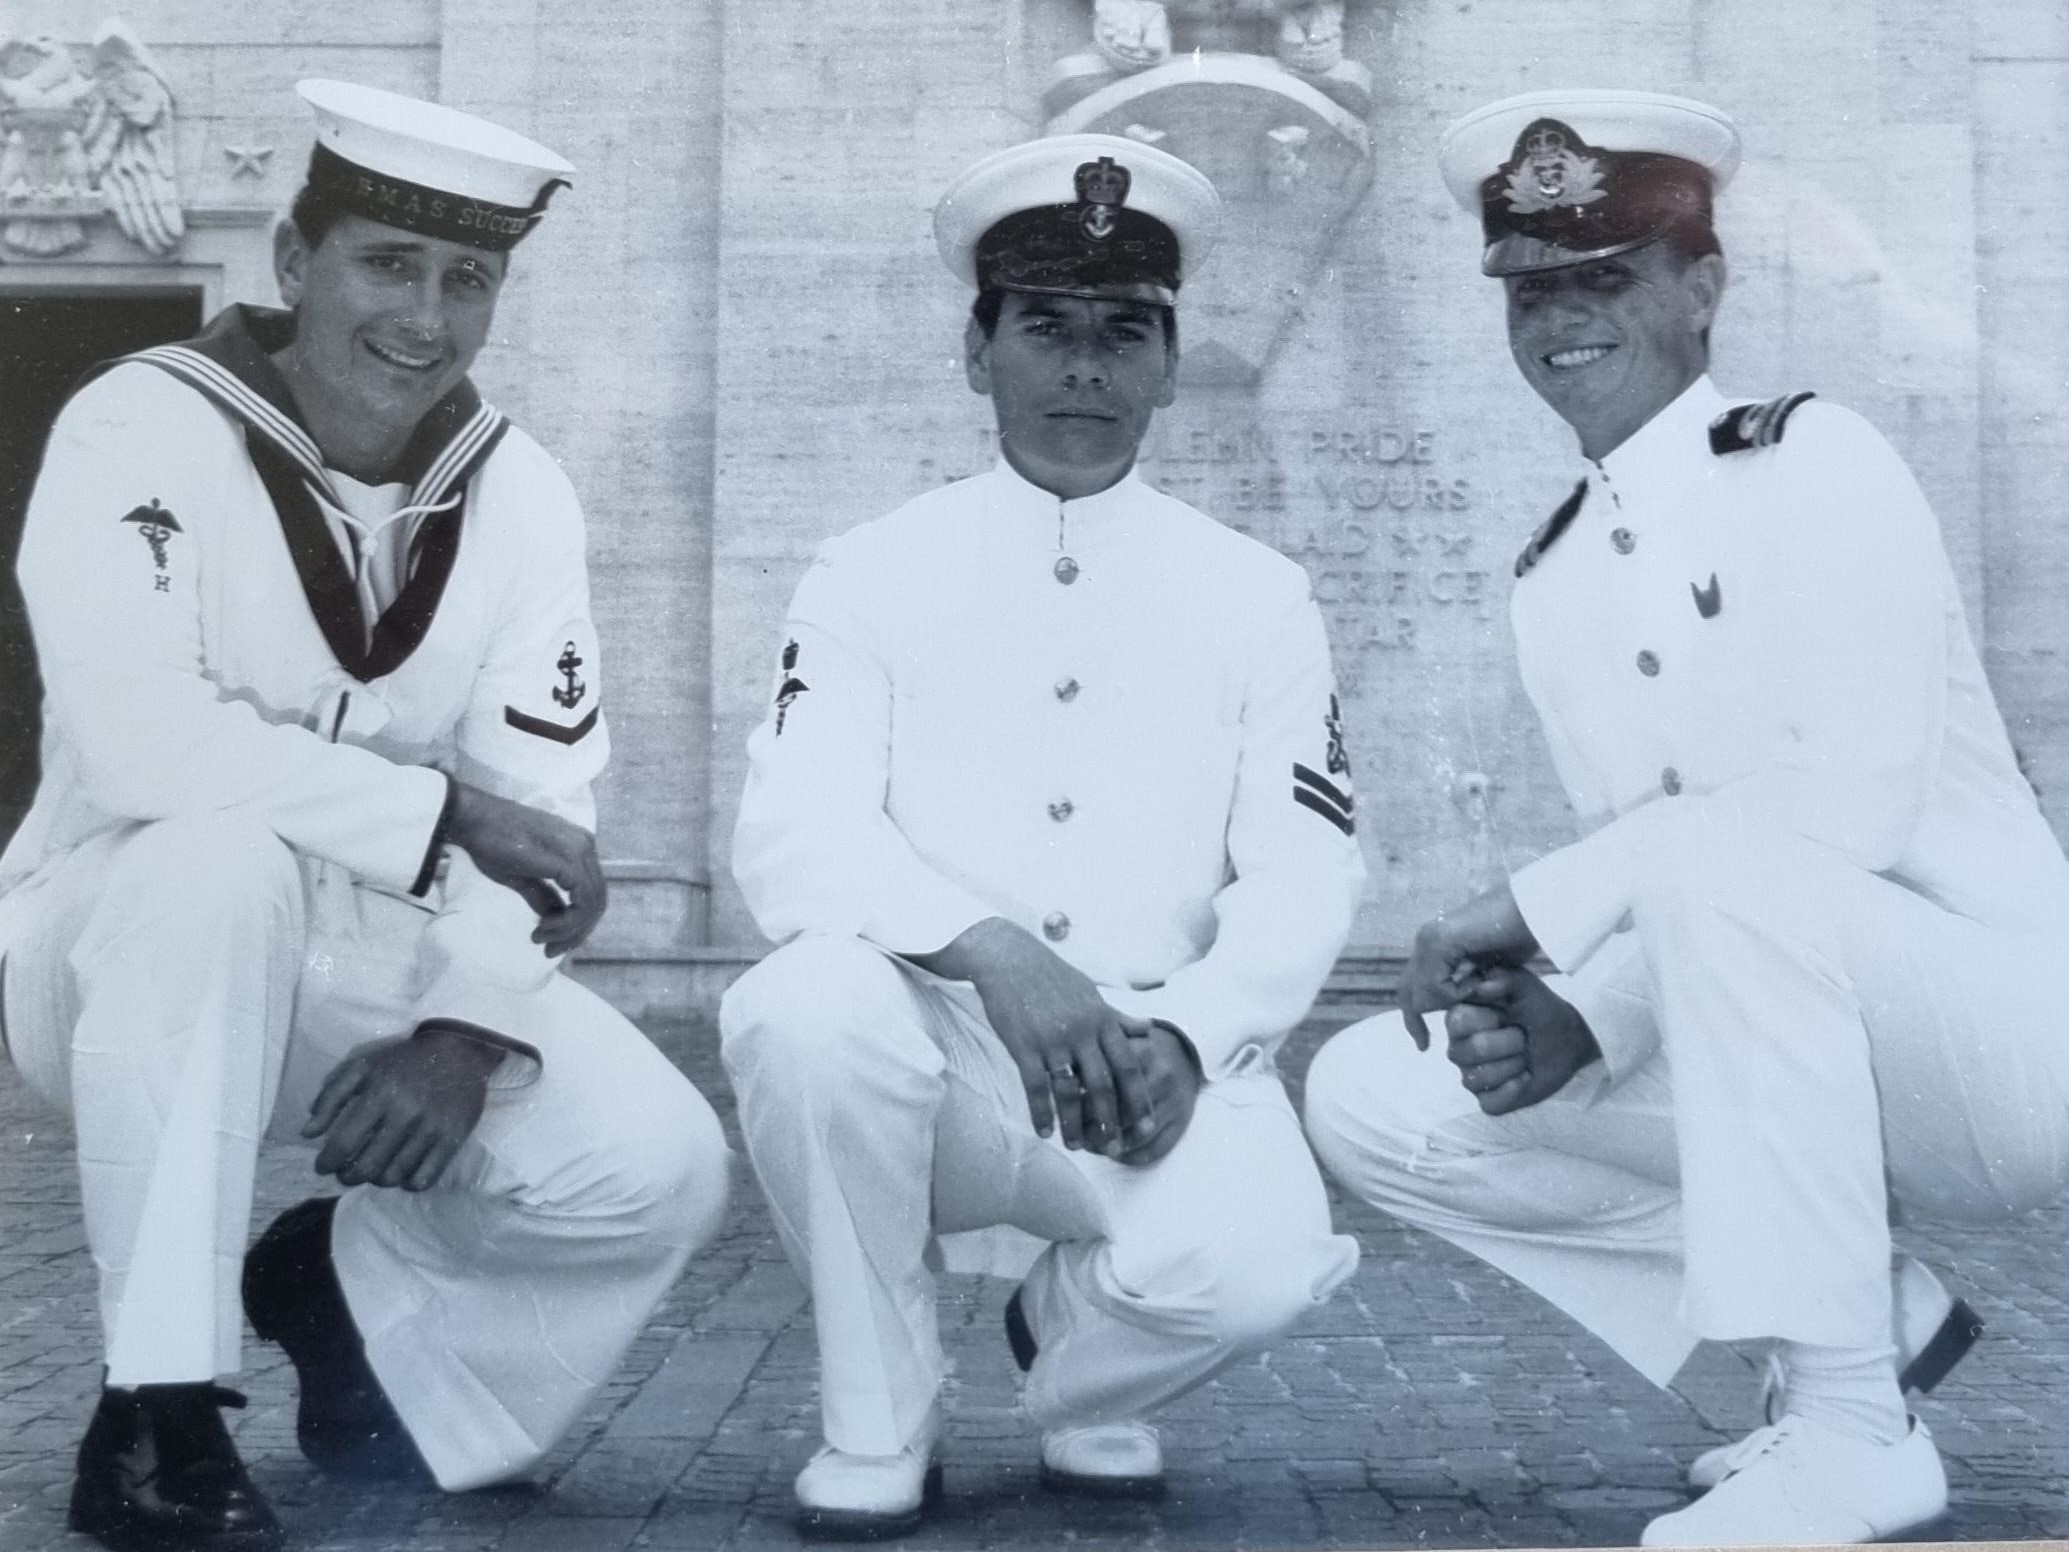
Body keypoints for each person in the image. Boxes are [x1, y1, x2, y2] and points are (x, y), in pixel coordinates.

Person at [1301, 88, 2069, 1547]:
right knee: (1379, 1094)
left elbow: (1834, 804)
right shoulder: (1552, 577)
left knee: (1717, 850)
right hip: (1786, 1019)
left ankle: (1853, 1434)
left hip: (1998, 1041)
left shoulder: (1817, 462)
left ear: (1700, 286)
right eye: (1530, 288)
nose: (1558, 319)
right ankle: (1860, 1331)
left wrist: (1533, 916)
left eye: (1605, 277)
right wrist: (1579, 1013)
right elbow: (1677, 889)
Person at [0, 80, 731, 1551]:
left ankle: (348, 1301)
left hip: (372, 957)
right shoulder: (134, 424)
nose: (428, 314)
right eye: (388, 264)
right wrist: (441, 813)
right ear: (291, 261)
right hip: (115, 941)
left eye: (469, 278)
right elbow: (148, 747)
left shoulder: (520, 492)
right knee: (212, 861)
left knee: (655, 1168)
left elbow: (548, 808)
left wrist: (467, 1029)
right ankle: (158, 1411)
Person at [721, 132, 1364, 1539]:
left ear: (1168, 361)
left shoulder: (1255, 594)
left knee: (1257, 1270)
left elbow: (1307, 868)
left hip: (1149, 1059)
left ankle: (1069, 1358)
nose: (1084, 368)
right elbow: (792, 833)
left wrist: (1192, 1031)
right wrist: (991, 951)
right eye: (1046, 328)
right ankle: (875, 1420)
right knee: (800, 1005)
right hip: (940, 1043)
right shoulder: (868, 572)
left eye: (1122, 333)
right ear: (977, 351)